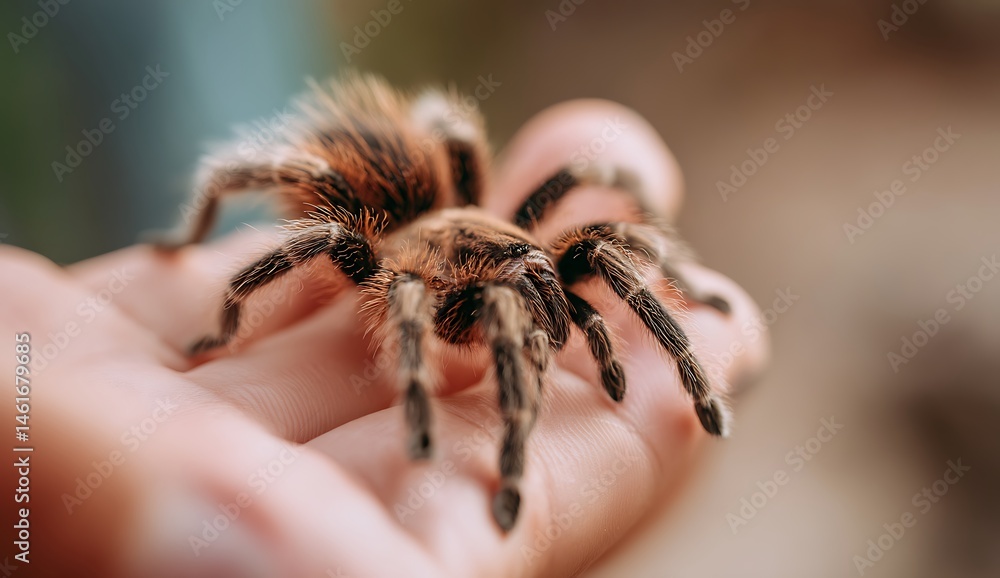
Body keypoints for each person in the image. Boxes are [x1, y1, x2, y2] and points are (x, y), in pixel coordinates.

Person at [1, 100, 767, 577]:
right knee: (345, 237)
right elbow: (422, 291)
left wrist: (683, 293)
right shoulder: (391, 267)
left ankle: (697, 377)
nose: (542, 280)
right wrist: (419, 419)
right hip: (400, 243)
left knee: (601, 244)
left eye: (541, 266)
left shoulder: (546, 248)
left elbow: (592, 196)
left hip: (445, 220)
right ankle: (494, 460)